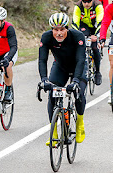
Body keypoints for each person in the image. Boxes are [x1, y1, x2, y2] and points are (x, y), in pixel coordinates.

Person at [39, 13, 87, 144]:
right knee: (52, 94)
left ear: (67, 28)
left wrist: (76, 81)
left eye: (62, 29)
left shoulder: (77, 36)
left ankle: (79, 124)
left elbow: (81, 60)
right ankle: (53, 132)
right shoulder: (46, 37)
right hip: (61, 67)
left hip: (78, 65)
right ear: (51, 30)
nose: (59, 33)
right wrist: (44, 79)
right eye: (55, 29)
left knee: (79, 93)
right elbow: (42, 60)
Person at [72, 0, 104, 85]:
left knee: (94, 47)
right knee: (81, 44)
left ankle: (97, 72)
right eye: (84, 1)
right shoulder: (78, 6)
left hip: (95, 26)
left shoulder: (98, 5)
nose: (86, 4)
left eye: (89, 1)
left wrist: (97, 35)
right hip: (84, 27)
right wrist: (77, 36)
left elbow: (100, 21)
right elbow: (74, 22)